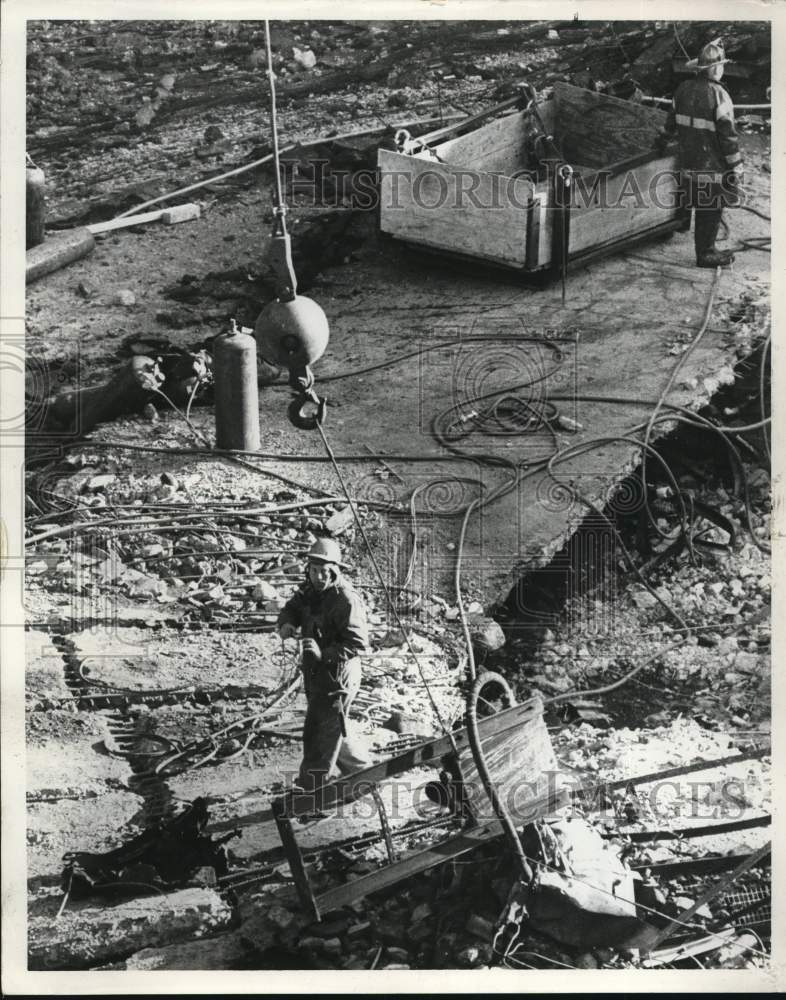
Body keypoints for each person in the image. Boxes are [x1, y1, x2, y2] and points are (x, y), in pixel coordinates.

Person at [277, 537, 370, 792]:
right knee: (333, 728)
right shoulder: (309, 590)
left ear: (335, 570)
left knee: (319, 735)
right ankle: (364, 775)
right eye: (314, 570)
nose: (318, 576)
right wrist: (286, 623)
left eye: (324, 571)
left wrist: (323, 653)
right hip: (317, 675)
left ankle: (312, 794)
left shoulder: (346, 600)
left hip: (338, 677)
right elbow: (292, 609)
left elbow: (358, 645)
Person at [660, 40, 743, 268]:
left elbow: (669, 126)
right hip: (712, 170)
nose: (723, 69)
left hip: (688, 166)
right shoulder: (720, 95)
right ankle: (706, 253)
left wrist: (662, 141)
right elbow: (728, 138)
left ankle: (693, 234)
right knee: (710, 210)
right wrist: (736, 167)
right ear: (715, 68)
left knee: (694, 202)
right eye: (722, 65)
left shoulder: (682, 90)